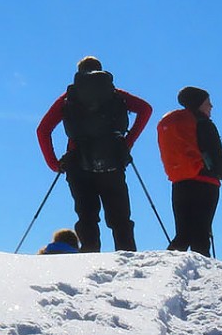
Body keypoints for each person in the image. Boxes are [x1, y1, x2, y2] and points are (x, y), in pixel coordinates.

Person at [36, 56, 153, 252]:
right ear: (101, 71)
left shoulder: (68, 97)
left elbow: (43, 129)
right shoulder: (115, 94)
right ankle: (127, 260)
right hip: (113, 159)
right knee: (120, 217)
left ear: (79, 73)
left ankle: (89, 258)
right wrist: (127, 142)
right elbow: (145, 109)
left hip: (77, 161)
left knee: (87, 216)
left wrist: (54, 164)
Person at [156, 86, 222, 256]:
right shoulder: (205, 124)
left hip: (180, 183)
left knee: (183, 235)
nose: (211, 107)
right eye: (208, 103)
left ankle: (165, 269)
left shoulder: (175, 123)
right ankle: (204, 277)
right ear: (199, 104)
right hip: (206, 183)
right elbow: (217, 152)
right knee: (201, 234)